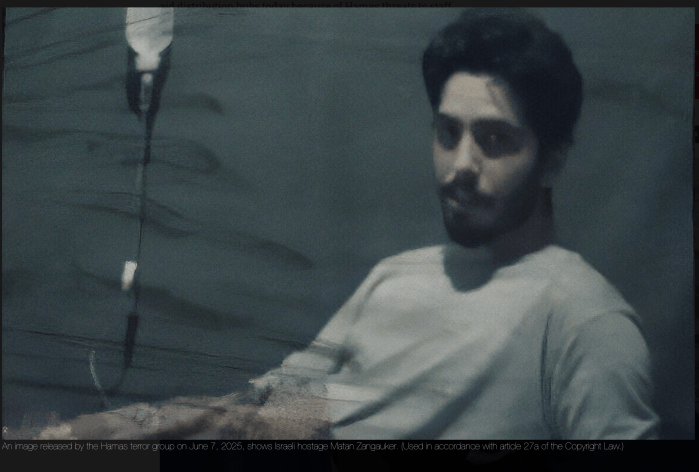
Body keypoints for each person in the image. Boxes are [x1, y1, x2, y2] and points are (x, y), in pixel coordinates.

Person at [35, 8, 658, 440]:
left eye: (494, 139)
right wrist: (85, 435)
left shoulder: (582, 319)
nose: (461, 165)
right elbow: (261, 416)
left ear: (552, 160)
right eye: (448, 133)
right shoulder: (397, 279)